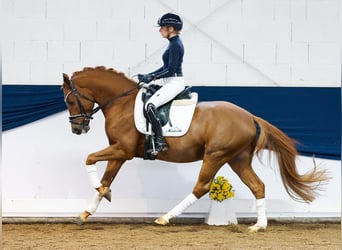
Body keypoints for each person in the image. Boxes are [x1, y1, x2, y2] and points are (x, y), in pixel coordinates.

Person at [138, 13, 185, 154]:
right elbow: (165, 68)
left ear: (171, 29)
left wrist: (152, 77)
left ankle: (159, 140)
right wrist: (149, 75)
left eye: (162, 28)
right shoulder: (172, 44)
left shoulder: (175, 44)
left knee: (150, 105)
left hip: (175, 82)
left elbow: (170, 70)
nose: (160, 31)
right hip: (169, 81)